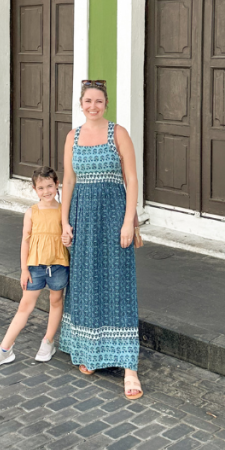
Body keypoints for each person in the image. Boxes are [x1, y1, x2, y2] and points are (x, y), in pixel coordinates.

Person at [60, 80, 143, 399]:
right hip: (82, 215)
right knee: (85, 282)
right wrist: (64, 221)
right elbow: (68, 180)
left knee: (117, 282)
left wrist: (127, 221)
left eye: (98, 101)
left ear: (105, 104)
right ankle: (90, 351)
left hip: (112, 216)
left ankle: (129, 366)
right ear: (81, 103)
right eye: (87, 101)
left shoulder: (118, 133)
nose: (93, 106)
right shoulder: (73, 136)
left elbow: (132, 179)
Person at [0, 166, 69, 369]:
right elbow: (25, 242)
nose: (46, 191)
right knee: (24, 306)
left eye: (50, 186)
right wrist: (24, 269)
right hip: (35, 267)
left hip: (58, 265)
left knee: (56, 301)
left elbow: (68, 236)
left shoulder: (63, 211)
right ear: (34, 189)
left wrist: (68, 239)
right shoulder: (31, 212)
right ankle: (4, 349)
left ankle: (48, 342)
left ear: (57, 185)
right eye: (41, 188)